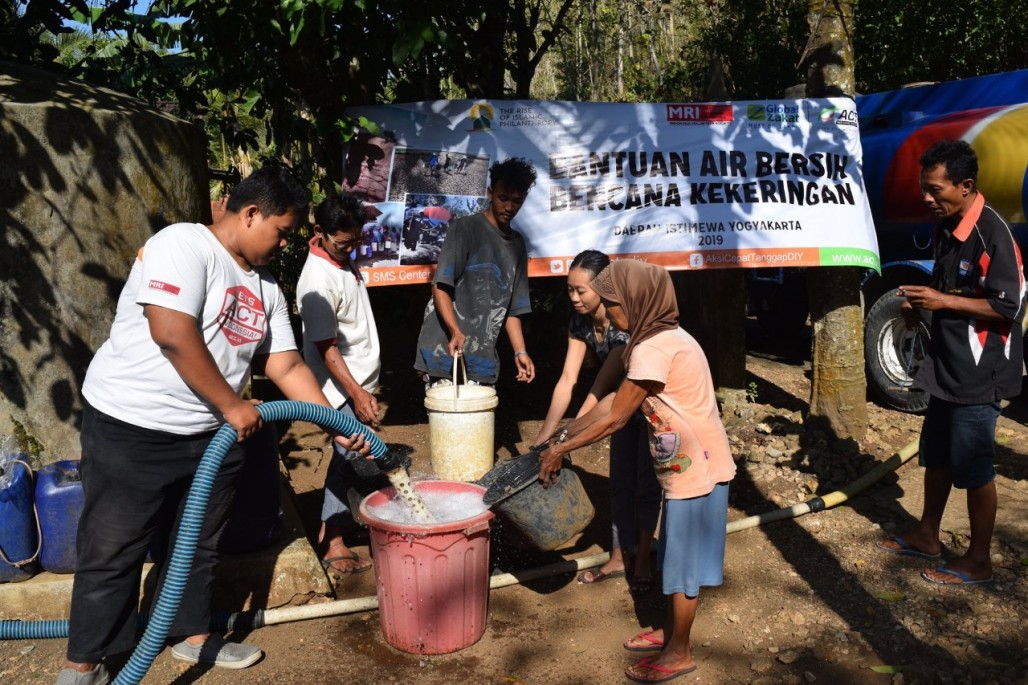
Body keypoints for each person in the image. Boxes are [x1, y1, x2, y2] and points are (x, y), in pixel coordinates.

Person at [57, 167, 370, 685]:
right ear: (251, 213)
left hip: (211, 435)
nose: (285, 243)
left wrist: (336, 424)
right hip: (133, 425)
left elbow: (286, 365)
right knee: (114, 549)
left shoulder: (266, 286)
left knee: (199, 542)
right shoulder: (183, 244)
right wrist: (232, 404)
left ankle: (191, 633)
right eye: (283, 231)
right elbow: (172, 331)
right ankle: (85, 663)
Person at [536, 260, 736, 683]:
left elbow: (617, 418)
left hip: (695, 472)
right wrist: (565, 434)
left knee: (681, 568)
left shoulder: (652, 347)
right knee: (680, 564)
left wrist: (562, 449)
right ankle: (670, 630)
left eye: (613, 303)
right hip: (691, 464)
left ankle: (679, 651)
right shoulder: (657, 338)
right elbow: (613, 401)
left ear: (636, 301)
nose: (609, 312)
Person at [876, 140, 1025, 586]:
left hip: (980, 373)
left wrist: (940, 300)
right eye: (924, 188)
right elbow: (951, 291)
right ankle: (927, 534)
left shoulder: (993, 234)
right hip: (945, 367)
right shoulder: (949, 224)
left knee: (975, 467)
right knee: (935, 455)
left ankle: (979, 560)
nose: (926, 198)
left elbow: (1008, 306)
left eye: (935, 190)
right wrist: (922, 306)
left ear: (966, 186)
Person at [532, 250, 660, 591]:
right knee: (620, 483)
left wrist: (566, 437)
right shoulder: (580, 322)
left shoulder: (624, 325)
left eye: (581, 291)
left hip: (646, 410)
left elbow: (601, 390)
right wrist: (544, 436)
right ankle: (619, 558)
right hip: (614, 407)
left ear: (604, 289)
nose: (573, 298)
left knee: (646, 487)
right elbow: (567, 380)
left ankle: (645, 556)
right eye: (569, 290)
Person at [296, 194, 384, 578]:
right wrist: (357, 392)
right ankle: (333, 541)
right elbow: (325, 345)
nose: (351, 249)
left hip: (357, 380)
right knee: (349, 457)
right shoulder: (317, 279)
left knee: (352, 457)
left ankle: (342, 529)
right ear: (319, 233)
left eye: (355, 241)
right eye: (343, 243)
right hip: (338, 387)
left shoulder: (341, 259)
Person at [414, 157, 537, 388]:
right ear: (490, 193)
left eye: (516, 201)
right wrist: (455, 331)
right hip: (443, 351)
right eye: (503, 198)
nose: (509, 207)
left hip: (482, 358)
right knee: (449, 422)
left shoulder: (518, 244)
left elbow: (513, 309)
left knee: (478, 422)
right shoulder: (464, 229)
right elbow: (440, 287)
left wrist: (520, 351)